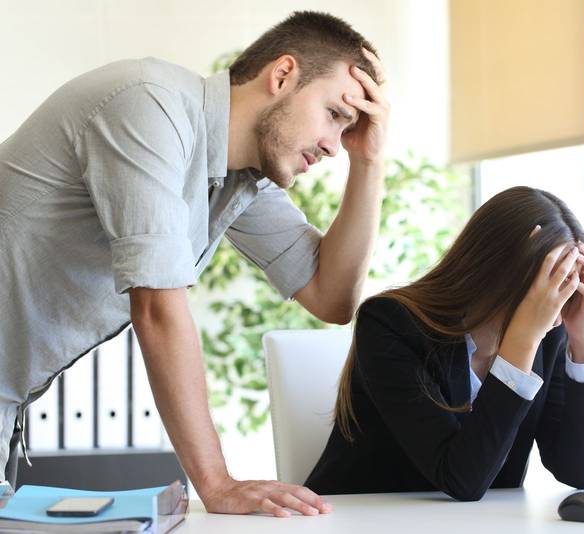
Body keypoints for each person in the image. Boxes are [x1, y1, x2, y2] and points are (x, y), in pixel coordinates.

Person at [0, 11, 389, 517]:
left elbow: (330, 298)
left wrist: (369, 162)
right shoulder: (148, 104)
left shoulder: (240, 178)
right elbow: (157, 309)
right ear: (282, 75)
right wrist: (217, 483)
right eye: (334, 114)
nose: (334, 145)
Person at [306, 187, 584, 500]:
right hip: (357, 517)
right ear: (499, 267)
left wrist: (583, 344)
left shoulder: (548, 336)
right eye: (553, 282)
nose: (557, 306)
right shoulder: (389, 323)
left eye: (570, 285)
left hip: (473, 522)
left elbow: (582, 471)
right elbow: (460, 479)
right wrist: (522, 341)